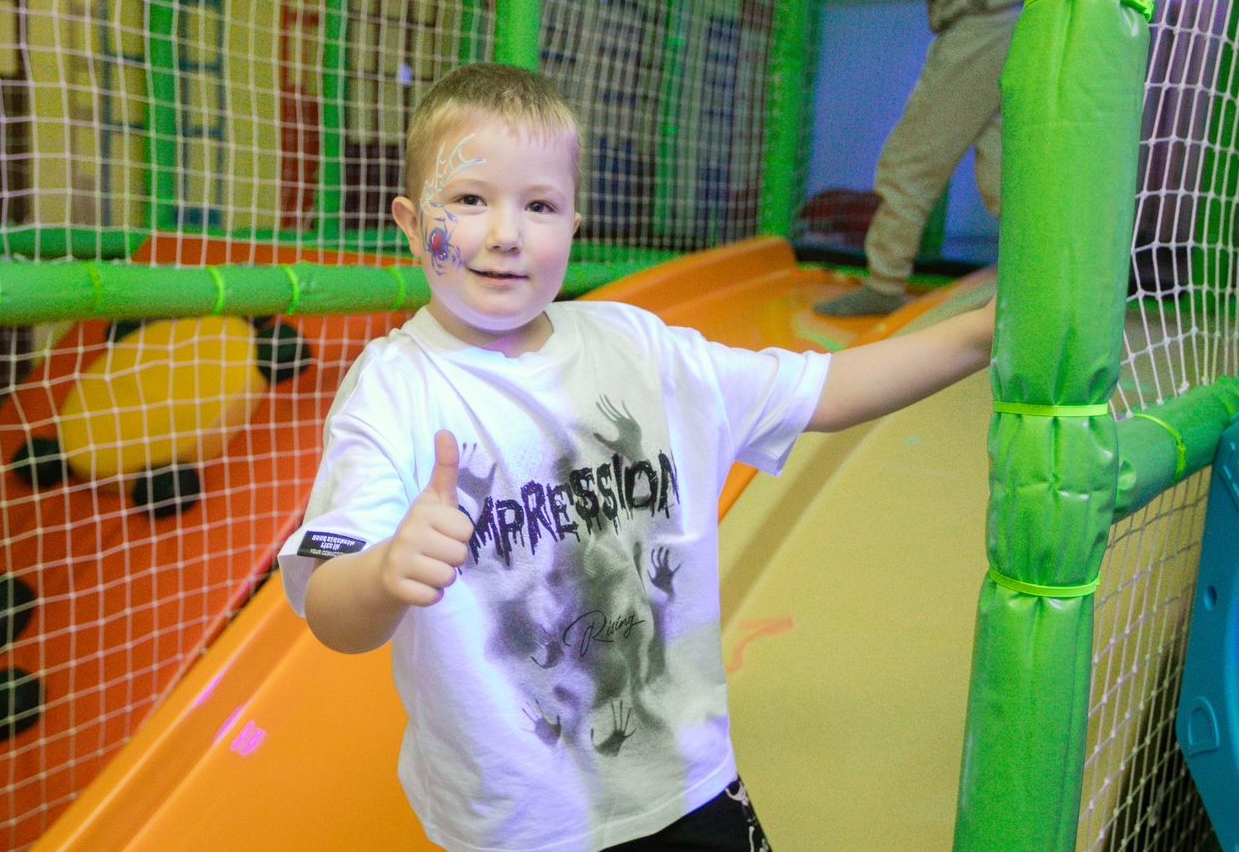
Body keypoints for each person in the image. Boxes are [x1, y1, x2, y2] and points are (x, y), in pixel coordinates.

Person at [277, 62, 995, 852]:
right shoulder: (395, 392)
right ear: (414, 226)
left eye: (539, 206)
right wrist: (383, 574)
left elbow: (825, 391)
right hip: (522, 830)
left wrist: (980, 333)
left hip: (690, 785)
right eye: (471, 199)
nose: (506, 233)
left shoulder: (638, 349)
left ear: (573, 225)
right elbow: (332, 611)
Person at [816, 0, 1021, 317]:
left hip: (980, 21)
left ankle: (884, 286)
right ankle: (1051, 281)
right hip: (1013, 20)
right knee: (1005, 176)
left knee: (907, 168)